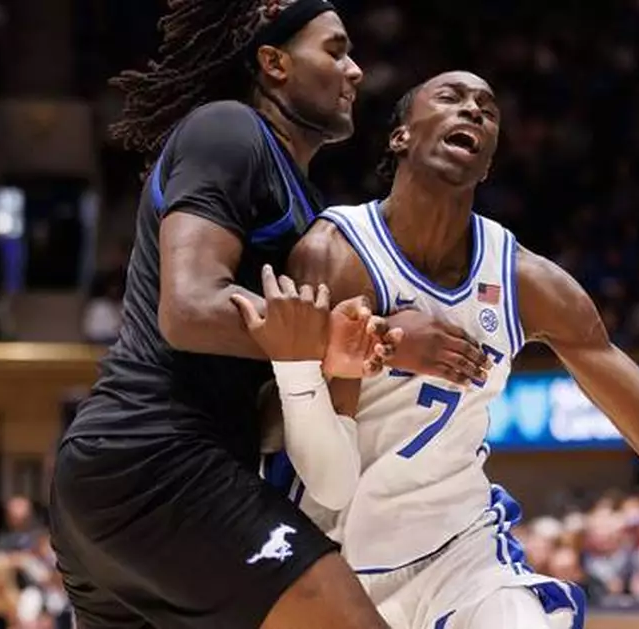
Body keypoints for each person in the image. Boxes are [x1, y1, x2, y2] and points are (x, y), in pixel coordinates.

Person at [239, 71, 639, 628]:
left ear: (488, 162)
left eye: (487, 109)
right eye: (451, 97)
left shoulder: (525, 281)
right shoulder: (337, 253)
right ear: (402, 135)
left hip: (459, 552)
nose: (472, 110)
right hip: (332, 553)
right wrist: (383, 346)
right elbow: (286, 436)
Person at [48, 2, 487, 628]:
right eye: (335, 51)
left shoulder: (305, 204)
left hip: (132, 483)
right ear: (274, 63)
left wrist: (366, 353)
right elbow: (191, 308)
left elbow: (277, 386)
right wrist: (361, 338)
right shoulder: (229, 130)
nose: (356, 70)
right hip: (158, 459)